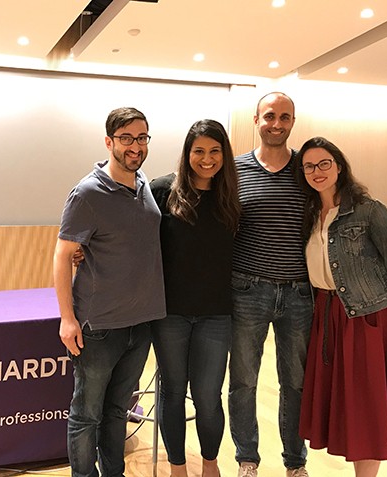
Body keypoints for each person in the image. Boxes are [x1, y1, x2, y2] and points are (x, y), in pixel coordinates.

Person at [294, 137, 387, 477]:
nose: (317, 171)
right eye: (309, 166)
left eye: (324, 164)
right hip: (325, 316)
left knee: (366, 410)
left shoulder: (368, 210)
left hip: (367, 319)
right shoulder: (309, 213)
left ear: (339, 166)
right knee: (345, 407)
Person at [53, 107, 166, 477]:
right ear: (109, 142)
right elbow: (62, 256)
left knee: (118, 411)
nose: (135, 146)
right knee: (86, 414)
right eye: (126, 138)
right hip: (98, 326)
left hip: (141, 324)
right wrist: (67, 319)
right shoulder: (87, 192)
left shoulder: (144, 184)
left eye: (142, 137)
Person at [228, 92, 313, 477]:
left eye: (284, 116)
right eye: (269, 116)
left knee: (295, 383)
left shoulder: (307, 170)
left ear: (293, 121)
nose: (276, 123)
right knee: (244, 380)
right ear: (256, 119)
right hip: (248, 290)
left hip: (299, 292)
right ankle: (248, 459)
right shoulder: (235, 170)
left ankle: (295, 462)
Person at [149, 119, 240, 477]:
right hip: (170, 313)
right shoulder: (161, 191)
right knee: (172, 391)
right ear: (187, 153)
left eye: (215, 151)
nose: (207, 159)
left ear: (224, 154)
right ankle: (176, 468)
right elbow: (134, 239)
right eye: (199, 151)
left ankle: (210, 465)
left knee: (207, 396)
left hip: (216, 315)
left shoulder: (231, 197)